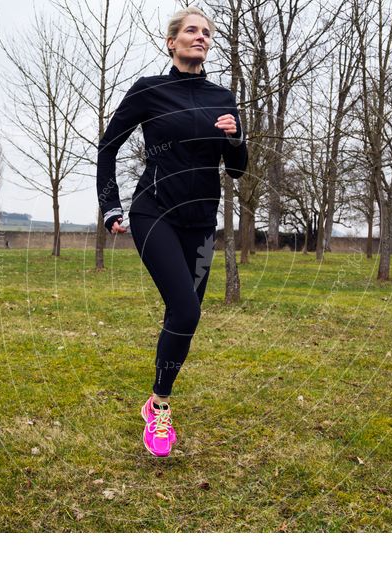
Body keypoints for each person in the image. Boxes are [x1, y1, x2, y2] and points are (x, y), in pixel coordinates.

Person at [96, 6, 248, 457]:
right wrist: (110, 206)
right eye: (191, 31)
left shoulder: (224, 98)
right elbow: (109, 147)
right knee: (183, 307)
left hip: (201, 221)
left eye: (206, 32)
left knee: (186, 318)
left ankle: (155, 395)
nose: (200, 37)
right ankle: (161, 410)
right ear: (172, 41)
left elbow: (236, 170)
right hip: (154, 211)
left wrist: (236, 139)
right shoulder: (149, 91)